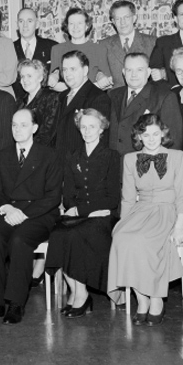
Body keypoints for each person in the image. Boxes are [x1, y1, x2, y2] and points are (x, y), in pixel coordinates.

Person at [0, 109, 62, 325]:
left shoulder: (49, 155)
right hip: (10, 211)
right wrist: (6, 207)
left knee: (19, 240)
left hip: (39, 214)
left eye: (23, 125)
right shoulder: (2, 156)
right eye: (14, 125)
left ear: (35, 128)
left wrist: (24, 213)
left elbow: (53, 196)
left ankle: (16, 303)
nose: (17, 129)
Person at [107, 114, 183, 326]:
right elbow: (127, 198)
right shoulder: (130, 159)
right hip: (140, 210)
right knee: (122, 238)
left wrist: (179, 227)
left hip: (166, 210)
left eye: (155, 133)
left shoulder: (177, 156)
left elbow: (182, 196)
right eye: (145, 134)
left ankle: (156, 298)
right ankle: (142, 299)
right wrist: (123, 224)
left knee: (146, 242)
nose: (151, 139)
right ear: (138, 137)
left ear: (163, 134)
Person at [46, 109, 120, 317]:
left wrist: (83, 210)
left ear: (102, 129)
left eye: (92, 127)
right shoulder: (73, 156)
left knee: (75, 234)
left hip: (103, 217)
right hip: (78, 215)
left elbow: (112, 199)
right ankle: (77, 290)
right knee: (57, 233)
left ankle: (81, 295)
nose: (87, 131)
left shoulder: (111, 156)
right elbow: (68, 196)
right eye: (83, 127)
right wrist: (77, 210)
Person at [108, 53, 183, 156]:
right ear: (123, 72)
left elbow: (173, 141)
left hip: (145, 162)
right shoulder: (113, 95)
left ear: (148, 72)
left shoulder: (164, 97)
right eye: (129, 70)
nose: (134, 75)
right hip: (114, 162)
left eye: (139, 70)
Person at [54, 50, 111, 161]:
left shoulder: (98, 97)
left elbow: (100, 141)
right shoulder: (61, 96)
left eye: (73, 69)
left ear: (85, 70)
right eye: (64, 69)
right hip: (58, 163)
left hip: (81, 165)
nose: (67, 74)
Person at [48, 7, 111, 91]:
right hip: (64, 97)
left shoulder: (100, 49)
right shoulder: (57, 49)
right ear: (67, 26)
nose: (75, 27)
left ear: (87, 26)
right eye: (71, 23)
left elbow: (107, 83)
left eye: (80, 23)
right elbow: (52, 84)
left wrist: (101, 77)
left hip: (92, 96)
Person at [102, 0, 156, 90]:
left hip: (146, 96)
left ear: (134, 18)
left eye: (126, 17)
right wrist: (100, 75)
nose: (122, 22)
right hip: (115, 97)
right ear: (113, 21)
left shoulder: (152, 42)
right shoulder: (104, 44)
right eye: (118, 19)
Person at [12, 7, 56, 100]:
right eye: (21, 21)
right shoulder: (10, 48)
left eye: (29, 21)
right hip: (19, 103)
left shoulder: (52, 46)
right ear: (17, 24)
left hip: (47, 102)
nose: (25, 25)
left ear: (37, 24)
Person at [16, 59, 60, 147]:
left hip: (41, 151)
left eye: (29, 76)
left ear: (40, 78)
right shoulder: (20, 101)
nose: (25, 80)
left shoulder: (50, 97)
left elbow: (47, 132)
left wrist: (30, 150)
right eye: (22, 76)